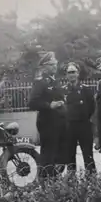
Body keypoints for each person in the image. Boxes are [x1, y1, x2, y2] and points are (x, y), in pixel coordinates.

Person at [28, 51, 68, 181]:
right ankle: (45, 181)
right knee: (48, 155)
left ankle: (55, 180)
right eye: (51, 65)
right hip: (48, 123)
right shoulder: (40, 82)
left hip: (60, 123)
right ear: (44, 66)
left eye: (55, 64)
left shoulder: (55, 81)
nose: (54, 67)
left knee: (59, 154)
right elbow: (32, 102)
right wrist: (49, 105)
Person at [62, 62, 96, 174]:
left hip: (84, 126)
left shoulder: (86, 90)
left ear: (78, 74)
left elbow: (92, 107)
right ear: (66, 75)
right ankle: (72, 182)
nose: (71, 75)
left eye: (73, 72)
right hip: (69, 127)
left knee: (88, 155)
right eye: (69, 72)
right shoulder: (63, 91)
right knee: (69, 155)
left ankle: (91, 180)